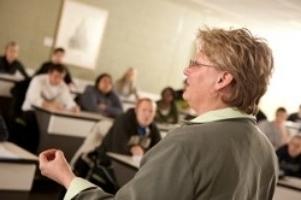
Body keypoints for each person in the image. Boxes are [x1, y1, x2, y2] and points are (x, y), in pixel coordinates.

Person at [39, 27, 278, 200]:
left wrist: (68, 179)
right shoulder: (266, 151)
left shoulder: (187, 143)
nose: (186, 71)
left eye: (196, 63)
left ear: (223, 79)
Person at [21, 64, 79, 153]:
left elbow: (68, 100)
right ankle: (30, 153)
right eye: (56, 76)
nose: (58, 80)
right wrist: (49, 105)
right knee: (34, 131)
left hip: (50, 113)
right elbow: (33, 99)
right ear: (49, 74)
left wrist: (73, 107)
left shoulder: (62, 85)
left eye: (61, 77)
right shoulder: (38, 80)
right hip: (31, 110)